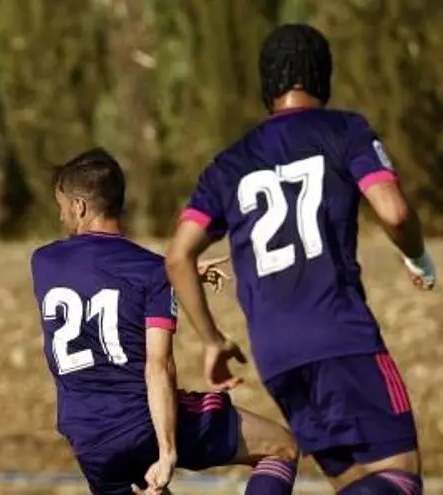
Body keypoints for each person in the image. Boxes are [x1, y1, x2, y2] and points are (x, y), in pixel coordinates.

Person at [165, 23, 436, 495]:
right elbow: (394, 212)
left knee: (356, 483)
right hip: (342, 337)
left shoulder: (229, 163)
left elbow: (177, 256)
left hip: (277, 357)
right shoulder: (344, 130)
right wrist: (418, 258)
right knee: (399, 477)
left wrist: (212, 340)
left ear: (266, 84)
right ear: (324, 76)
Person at [30, 148, 299, 495]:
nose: (62, 215)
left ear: (80, 207)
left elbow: (95, 280)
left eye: (62, 206)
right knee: (281, 448)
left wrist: (172, 276)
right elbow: (159, 366)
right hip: (140, 422)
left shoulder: (44, 262)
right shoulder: (151, 272)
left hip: (90, 442)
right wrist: (167, 450)